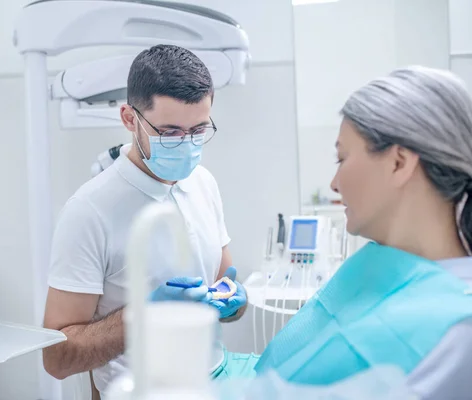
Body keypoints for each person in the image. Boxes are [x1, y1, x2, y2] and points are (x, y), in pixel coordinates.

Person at [227, 66, 472, 399]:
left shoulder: (455, 331)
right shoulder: (379, 264)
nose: (334, 184)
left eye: (341, 158)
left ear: (399, 163)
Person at [41, 44, 253, 395]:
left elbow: (226, 293)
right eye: (170, 133)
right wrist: (144, 316)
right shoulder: (88, 211)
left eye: (198, 130)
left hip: (213, 377)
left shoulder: (204, 183)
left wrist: (235, 299)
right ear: (129, 119)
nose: (186, 145)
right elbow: (58, 358)